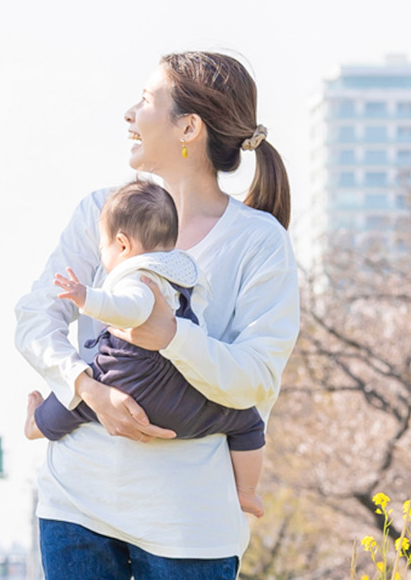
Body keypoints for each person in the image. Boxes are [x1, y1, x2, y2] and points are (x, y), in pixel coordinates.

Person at [14, 52, 300, 580]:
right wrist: (86, 388)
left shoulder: (258, 242)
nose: (128, 113)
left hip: (190, 516)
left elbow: (255, 377)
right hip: (75, 501)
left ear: (190, 127)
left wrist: (167, 334)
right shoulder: (102, 213)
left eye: (145, 99)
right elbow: (36, 316)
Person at [23, 179, 268, 517]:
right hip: (181, 396)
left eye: (104, 248)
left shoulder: (136, 277)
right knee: (245, 420)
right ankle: (246, 491)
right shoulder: (176, 271)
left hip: (130, 380)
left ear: (122, 244)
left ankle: (35, 425)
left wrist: (87, 298)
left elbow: (131, 308)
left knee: (76, 398)